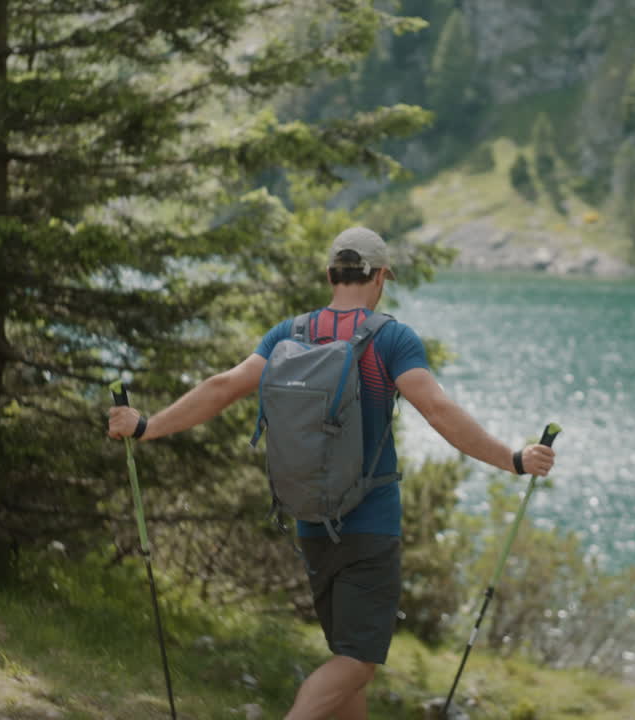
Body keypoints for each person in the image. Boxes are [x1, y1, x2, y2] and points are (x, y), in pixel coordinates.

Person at [107, 226, 557, 720]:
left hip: (310, 520)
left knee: (346, 659)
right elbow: (437, 410)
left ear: (330, 273)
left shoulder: (290, 335)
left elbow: (223, 387)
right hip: (370, 524)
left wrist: (147, 426)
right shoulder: (391, 339)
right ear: (380, 277)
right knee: (359, 663)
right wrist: (512, 459)